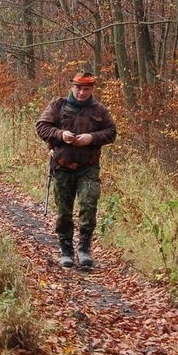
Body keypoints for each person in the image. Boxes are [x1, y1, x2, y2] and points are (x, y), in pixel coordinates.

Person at [35, 71, 117, 271]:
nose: (82, 92)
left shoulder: (99, 110)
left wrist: (92, 138)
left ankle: (84, 248)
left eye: (86, 89)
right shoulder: (58, 106)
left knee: (89, 205)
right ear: (72, 87)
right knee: (64, 212)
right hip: (62, 166)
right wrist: (61, 134)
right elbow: (41, 127)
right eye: (78, 88)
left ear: (92, 90)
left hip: (88, 168)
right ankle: (66, 250)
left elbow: (111, 132)